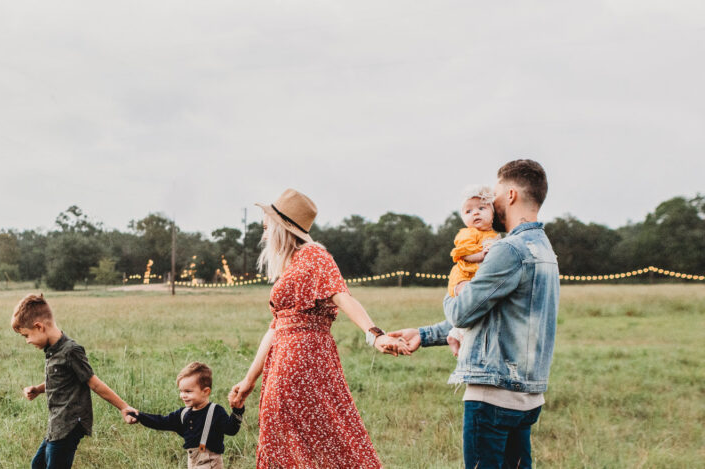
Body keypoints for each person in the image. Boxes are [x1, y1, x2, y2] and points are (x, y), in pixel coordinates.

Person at [389, 159, 559, 469]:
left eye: (495, 194)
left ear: (510, 195)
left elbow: (464, 312)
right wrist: (424, 335)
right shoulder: (544, 250)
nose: (491, 202)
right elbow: (491, 315)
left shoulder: (509, 250)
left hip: (493, 395)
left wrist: (456, 282)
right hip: (528, 396)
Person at [228, 188, 409, 469]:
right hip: (282, 366)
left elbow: (343, 296)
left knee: (332, 439)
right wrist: (249, 381)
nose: (264, 237)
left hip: (307, 365)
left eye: (267, 229)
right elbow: (276, 326)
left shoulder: (314, 256)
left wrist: (374, 334)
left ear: (282, 229)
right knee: (288, 441)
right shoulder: (291, 265)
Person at [12, 293, 138, 469]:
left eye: (26, 335)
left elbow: (93, 382)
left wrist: (124, 407)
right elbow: (62, 380)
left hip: (69, 424)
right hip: (56, 423)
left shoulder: (71, 351)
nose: (27, 341)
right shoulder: (52, 350)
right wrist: (38, 389)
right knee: (37, 465)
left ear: (39, 326)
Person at [127, 362, 244, 469]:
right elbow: (161, 422)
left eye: (188, 391)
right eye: (181, 391)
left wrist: (237, 410)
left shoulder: (215, 411)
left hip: (210, 462)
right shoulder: (183, 413)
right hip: (192, 462)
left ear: (206, 391)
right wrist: (140, 416)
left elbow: (231, 429)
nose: (183, 395)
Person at [445, 185, 501, 356]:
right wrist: (480, 255)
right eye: (468, 211)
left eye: (481, 208)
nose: (475, 213)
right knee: (470, 301)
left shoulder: (494, 235)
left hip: (476, 276)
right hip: (463, 276)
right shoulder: (469, 233)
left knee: (477, 306)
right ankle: (458, 335)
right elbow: (462, 253)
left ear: (492, 214)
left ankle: (455, 334)